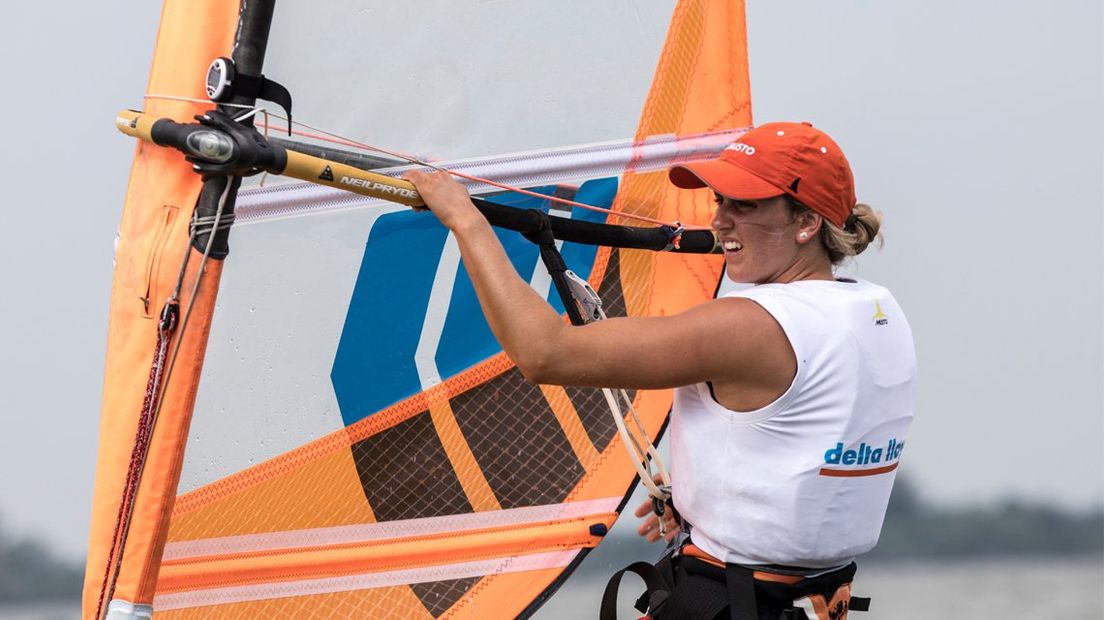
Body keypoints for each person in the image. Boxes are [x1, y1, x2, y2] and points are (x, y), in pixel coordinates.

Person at [404, 122, 916, 620]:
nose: (720, 222)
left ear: (806, 223)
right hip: (806, 597)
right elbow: (805, 442)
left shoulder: (750, 327)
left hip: (725, 603)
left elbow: (546, 353)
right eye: (719, 202)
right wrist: (706, 502)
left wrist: (465, 221)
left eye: (745, 205)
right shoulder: (877, 311)